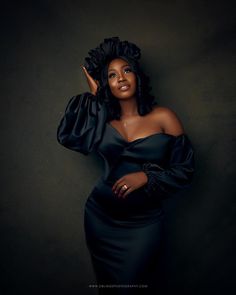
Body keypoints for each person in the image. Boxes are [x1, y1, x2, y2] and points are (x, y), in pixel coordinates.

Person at [57, 37, 195, 294]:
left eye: (126, 70)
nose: (120, 78)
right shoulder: (102, 119)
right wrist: (98, 98)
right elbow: (72, 138)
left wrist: (145, 176)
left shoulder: (163, 117)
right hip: (100, 219)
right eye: (111, 75)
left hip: (144, 224)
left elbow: (185, 170)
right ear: (106, 84)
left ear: (137, 75)